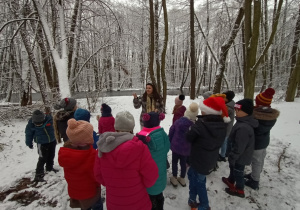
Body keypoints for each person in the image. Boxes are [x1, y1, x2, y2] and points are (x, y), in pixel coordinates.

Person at [94, 111, 159, 210]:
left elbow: (99, 176)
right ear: (132, 128)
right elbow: (151, 177)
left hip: (114, 203)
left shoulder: (103, 148)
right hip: (138, 202)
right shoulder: (140, 148)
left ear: (115, 127)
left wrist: (114, 184)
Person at [185, 97, 228, 209]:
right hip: (210, 159)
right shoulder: (222, 125)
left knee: (199, 182)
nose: (201, 111)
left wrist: (191, 129)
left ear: (207, 111)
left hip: (198, 159)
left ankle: (204, 205)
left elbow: (188, 138)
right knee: (192, 176)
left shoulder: (200, 125)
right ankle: (192, 199)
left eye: (202, 109)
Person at [58, 119, 103, 210]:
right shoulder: (92, 155)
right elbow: (96, 176)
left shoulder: (66, 153)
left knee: (84, 207)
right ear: (88, 138)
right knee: (97, 205)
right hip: (91, 191)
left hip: (76, 191)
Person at [222, 99, 259, 198]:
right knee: (233, 168)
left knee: (238, 172)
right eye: (235, 110)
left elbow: (240, 146)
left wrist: (233, 155)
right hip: (237, 154)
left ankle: (239, 189)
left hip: (240, 156)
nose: (236, 112)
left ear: (246, 112)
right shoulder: (242, 121)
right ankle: (230, 180)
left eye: (239, 110)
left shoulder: (244, 127)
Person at [244, 88, 280, 190]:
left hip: (257, 143)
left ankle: (255, 181)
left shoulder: (257, 117)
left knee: (256, 161)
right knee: (261, 158)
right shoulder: (270, 114)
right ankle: (254, 175)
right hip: (264, 141)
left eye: (257, 101)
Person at [136, 112, 170, 210]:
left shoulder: (143, 139)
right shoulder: (163, 134)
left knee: (150, 199)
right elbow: (167, 147)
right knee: (159, 195)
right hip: (161, 175)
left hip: (148, 179)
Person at [169, 102, 199, 188]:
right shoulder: (194, 126)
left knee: (174, 162)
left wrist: (170, 141)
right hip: (186, 149)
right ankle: (182, 178)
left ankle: (174, 177)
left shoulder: (178, 122)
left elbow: (171, 131)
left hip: (175, 146)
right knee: (183, 163)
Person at [25, 110, 57, 182]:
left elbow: (56, 126)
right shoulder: (31, 124)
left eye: (40, 123)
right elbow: (28, 134)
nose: (38, 125)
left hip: (52, 141)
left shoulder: (50, 119)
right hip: (41, 143)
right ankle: (38, 174)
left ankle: (49, 167)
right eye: (37, 124)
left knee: (51, 155)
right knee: (42, 158)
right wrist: (29, 143)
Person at [218, 90, 236, 162]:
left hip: (225, 128)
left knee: (223, 142)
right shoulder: (231, 104)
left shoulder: (227, 107)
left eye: (223, 97)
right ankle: (223, 154)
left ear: (227, 98)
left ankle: (222, 155)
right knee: (224, 141)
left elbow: (221, 117)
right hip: (227, 127)